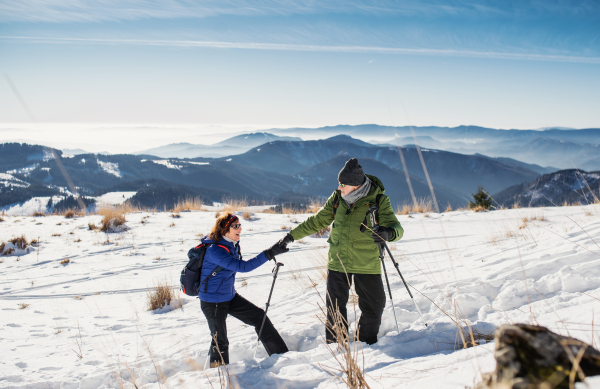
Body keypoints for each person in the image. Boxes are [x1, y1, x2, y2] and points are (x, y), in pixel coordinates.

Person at [279, 158, 403, 345]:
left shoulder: (378, 200)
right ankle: (337, 346)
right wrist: (290, 237)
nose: (339, 188)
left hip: (366, 263)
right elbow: (317, 221)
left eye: (342, 184)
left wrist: (388, 233)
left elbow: (397, 228)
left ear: (355, 185)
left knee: (374, 307)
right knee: (335, 309)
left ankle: (366, 344)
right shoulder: (338, 199)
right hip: (338, 261)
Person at [199, 212, 289, 367]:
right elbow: (244, 267)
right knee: (219, 340)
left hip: (229, 297)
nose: (240, 228)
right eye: (235, 226)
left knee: (259, 317)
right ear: (224, 230)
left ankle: (282, 356)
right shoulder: (215, 250)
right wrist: (269, 253)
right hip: (212, 301)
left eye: (239, 225)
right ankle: (218, 376)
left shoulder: (231, 245)